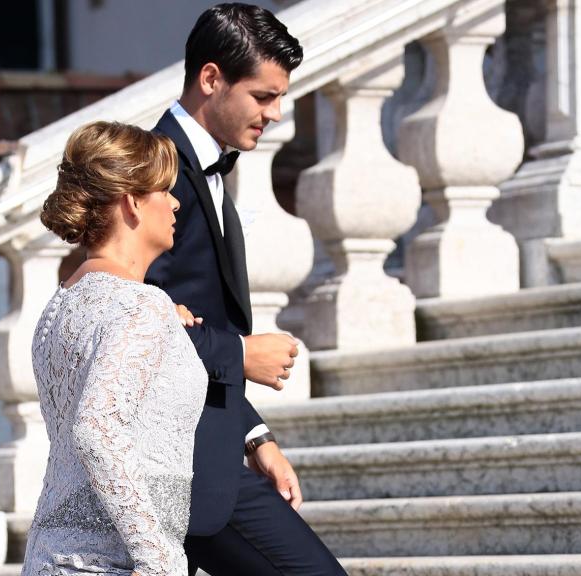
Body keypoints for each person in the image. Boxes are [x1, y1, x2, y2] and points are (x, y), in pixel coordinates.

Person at [146, 4, 346, 575]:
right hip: (175, 464)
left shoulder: (208, 169)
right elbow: (131, 321)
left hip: (210, 443)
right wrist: (241, 354)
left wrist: (255, 434)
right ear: (212, 79)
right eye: (263, 96)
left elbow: (197, 313)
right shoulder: (150, 170)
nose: (277, 114)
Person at [23, 121, 208, 576]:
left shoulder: (61, 304)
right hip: (111, 563)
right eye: (164, 191)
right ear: (132, 203)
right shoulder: (141, 306)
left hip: (53, 553)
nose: (175, 202)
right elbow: (97, 427)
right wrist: (160, 559)